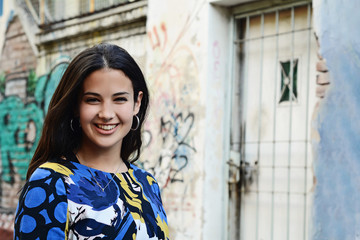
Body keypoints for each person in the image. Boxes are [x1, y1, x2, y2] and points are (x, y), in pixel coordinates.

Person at [14, 43, 170, 239]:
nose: (106, 114)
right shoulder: (51, 182)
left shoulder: (147, 183)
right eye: (92, 100)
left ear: (136, 103)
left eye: (120, 99)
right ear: (75, 106)